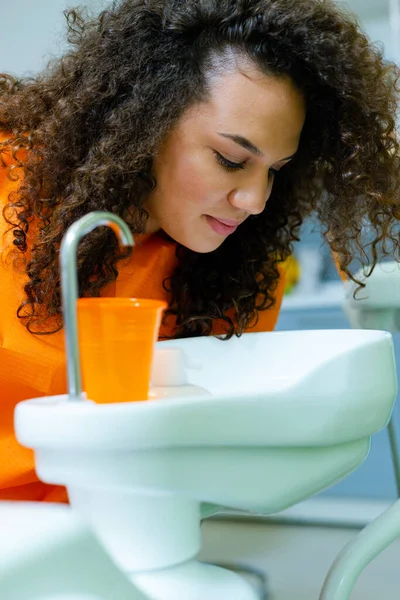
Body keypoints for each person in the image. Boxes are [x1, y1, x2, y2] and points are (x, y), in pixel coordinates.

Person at [0, 0, 399, 502]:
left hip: (101, 535)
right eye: (231, 160)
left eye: (274, 170)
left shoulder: (239, 275)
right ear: (146, 117)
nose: (254, 202)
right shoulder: (10, 177)